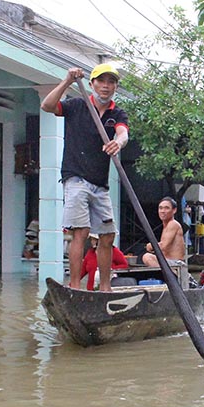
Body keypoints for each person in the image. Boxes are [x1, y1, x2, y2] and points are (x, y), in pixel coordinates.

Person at [40, 63, 128, 291]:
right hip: (76, 178)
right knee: (81, 232)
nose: (106, 86)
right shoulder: (77, 105)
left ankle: (106, 288)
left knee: (107, 235)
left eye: (111, 82)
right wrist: (68, 80)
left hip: (100, 184)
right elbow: (47, 105)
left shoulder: (116, 113)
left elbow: (123, 133)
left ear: (115, 87)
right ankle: (76, 286)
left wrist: (117, 143)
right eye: (101, 81)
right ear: (92, 84)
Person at [142, 197, 187, 267]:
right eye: (160, 208)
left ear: (174, 210)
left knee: (147, 257)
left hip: (176, 263)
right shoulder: (166, 225)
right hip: (168, 261)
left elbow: (163, 246)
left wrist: (150, 245)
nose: (163, 211)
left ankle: (165, 275)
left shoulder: (173, 224)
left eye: (166, 208)